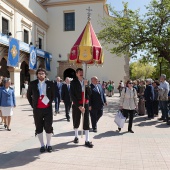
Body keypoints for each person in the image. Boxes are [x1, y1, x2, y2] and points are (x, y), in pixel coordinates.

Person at [27, 68, 55, 153]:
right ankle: (42, 145)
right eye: (39, 73)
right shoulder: (32, 84)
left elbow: (53, 95)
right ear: (37, 75)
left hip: (47, 109)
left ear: (45, 74)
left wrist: (49, 102)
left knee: (48, 126)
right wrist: (33, 105)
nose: (41, 74)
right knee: (38, 127)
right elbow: (29, 96)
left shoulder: (50, 83)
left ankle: (49, 144)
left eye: (42, 73)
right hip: (37, 109)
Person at [70, 68, 93, 148]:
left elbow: (90, 93)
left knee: (86, 121)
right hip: (77, 105)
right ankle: (76, 136)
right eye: (79, 72)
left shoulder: (86, 81)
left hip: (85, 104)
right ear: (76, 74)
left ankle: (87, 140)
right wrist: (79, 106)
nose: (81, 73)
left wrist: (86, 86)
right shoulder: (73, 83)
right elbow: (72, 96)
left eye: (82, 72)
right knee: (76, 120)